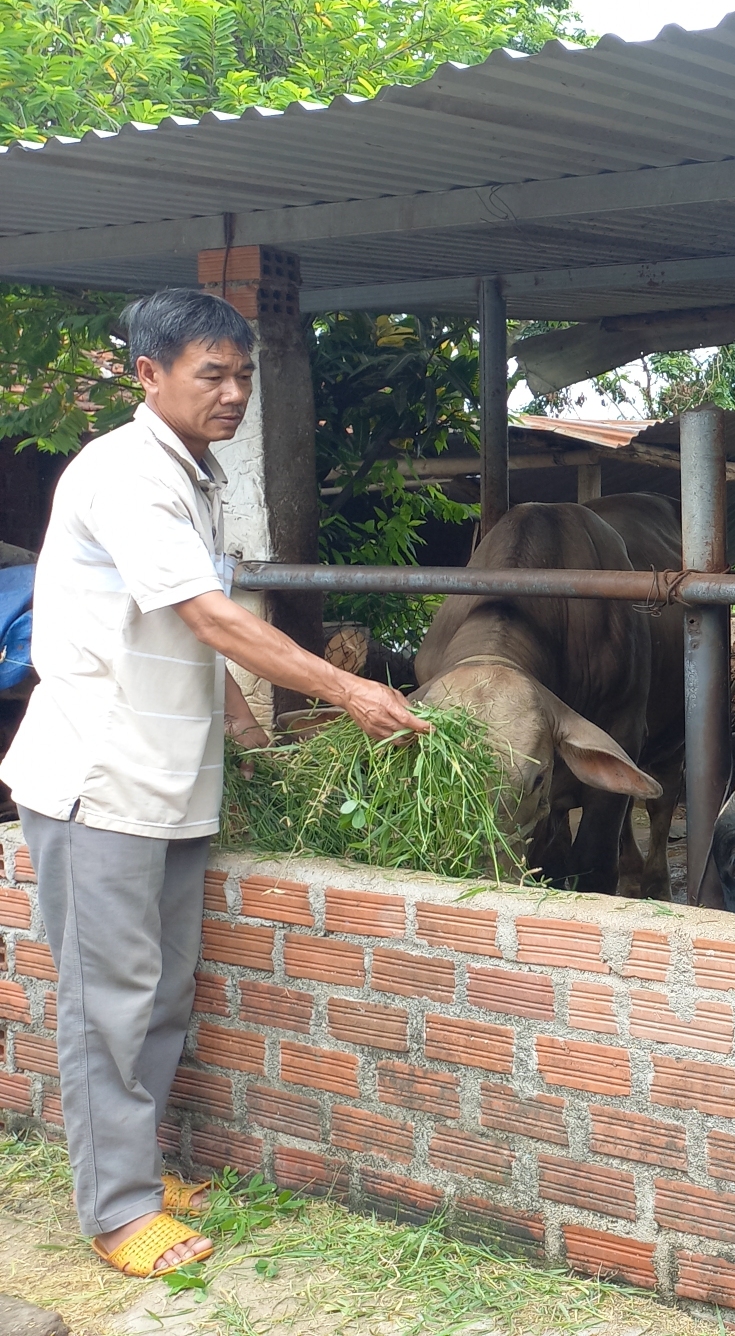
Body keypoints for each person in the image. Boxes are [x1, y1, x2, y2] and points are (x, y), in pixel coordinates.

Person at [0, 289, 430, 1278]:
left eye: (244, 375)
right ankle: (115, 1211)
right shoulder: (125, 474)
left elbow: (179, 637)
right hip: (100, 781)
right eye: (213, 375)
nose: (235, 393)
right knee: (109, 999)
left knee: (160, 995)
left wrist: (242, 734)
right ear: (148, 377)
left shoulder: (192, 478)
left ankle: (137, 1174)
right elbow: (209, 618)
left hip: (168, 783)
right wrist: (348, 690)